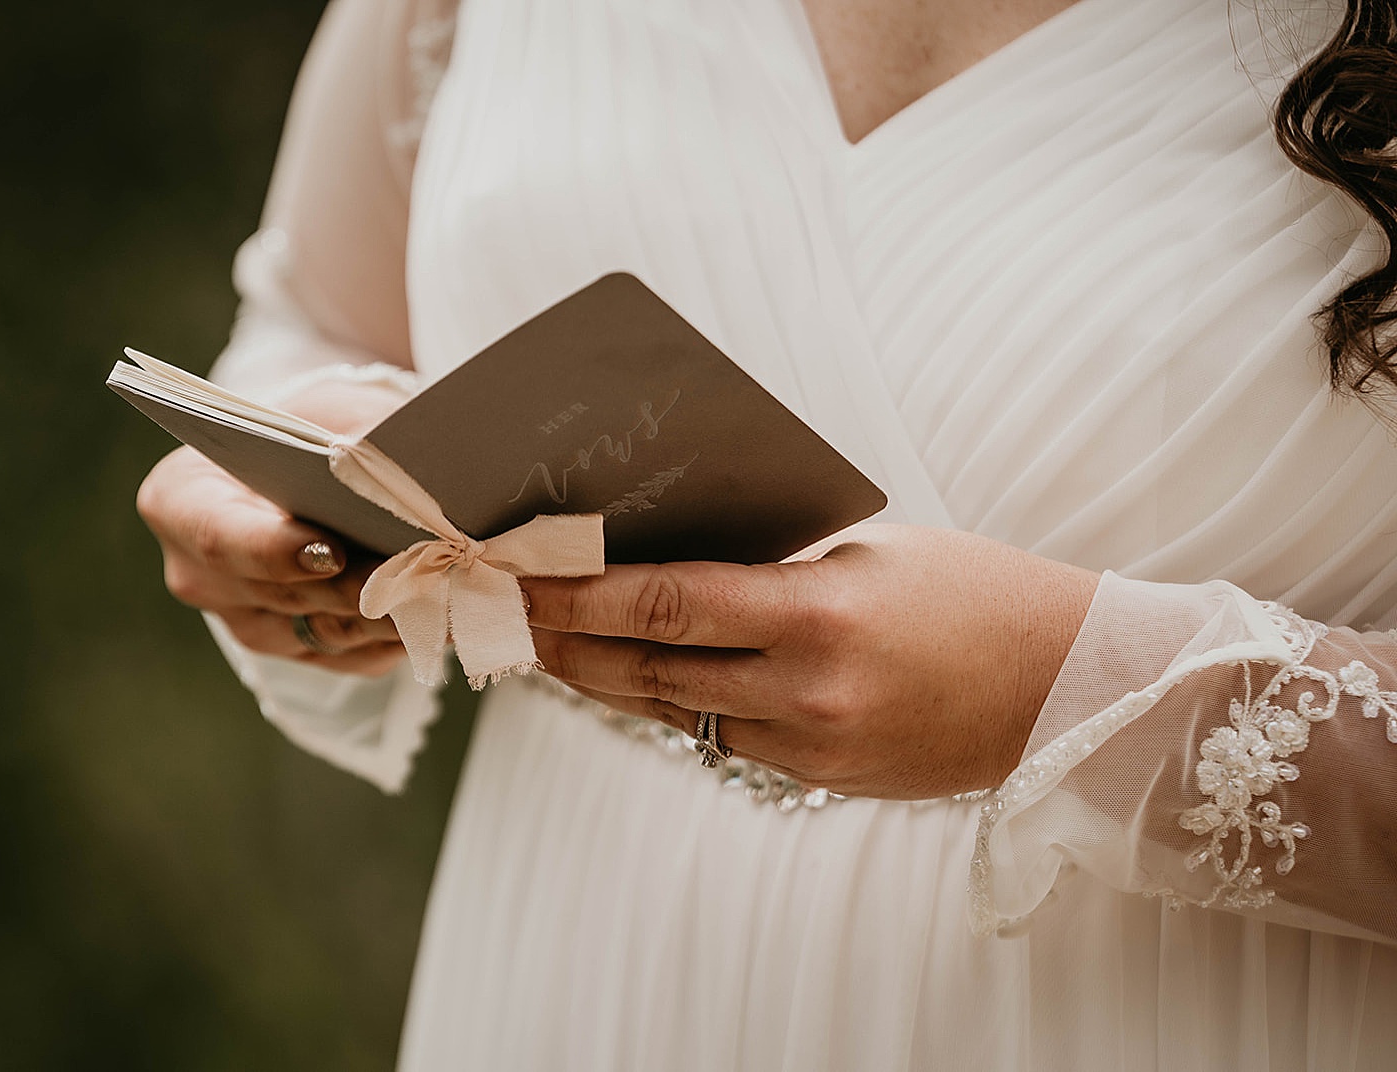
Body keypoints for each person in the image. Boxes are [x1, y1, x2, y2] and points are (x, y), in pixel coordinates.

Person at [135, 0, 1397, 1066]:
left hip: (1158, 1007)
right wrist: (288, 476)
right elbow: (316, 318)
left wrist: (1054, 685)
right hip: (571, 955)